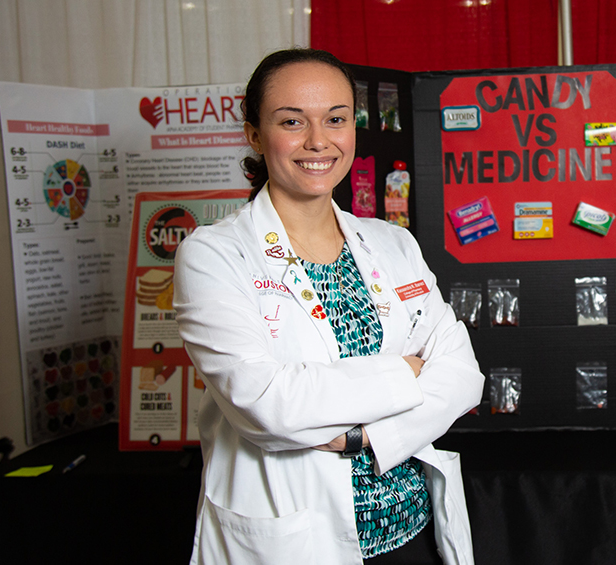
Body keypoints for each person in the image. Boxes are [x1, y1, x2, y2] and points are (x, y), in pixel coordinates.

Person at [173, 48, 484, 565]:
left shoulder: (393, 243)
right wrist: (406, 374)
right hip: (295, 542)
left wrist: (361, 437)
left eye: (336, 119)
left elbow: (462, 376)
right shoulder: (213, 254)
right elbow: (267, 404)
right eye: (292, 121)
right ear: (254, 134)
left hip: (413, 535)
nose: (318, 141)